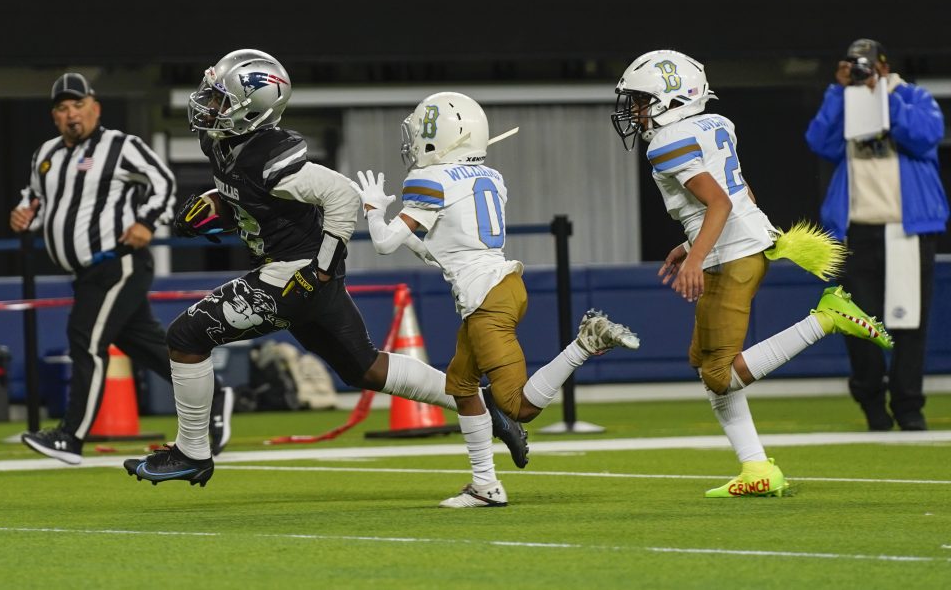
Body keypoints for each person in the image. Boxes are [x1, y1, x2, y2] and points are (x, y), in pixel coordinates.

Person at [123, 51, 528, 488]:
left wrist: (319, 270)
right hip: (302, 274)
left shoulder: (269, 156)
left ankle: (192, 452)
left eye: (221, 99)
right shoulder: (223, 143)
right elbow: (255, 195)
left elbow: (342, 195)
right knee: (364, 368)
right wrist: (218, 205)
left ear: (253, 109)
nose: (208, 105)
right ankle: (485, 403)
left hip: (295, 273)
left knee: (186, 337)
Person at [611, 50, 895, 498]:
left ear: (672, 99)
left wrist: (695, 258)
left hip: (732, 254)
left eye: (641, 100)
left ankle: (826, 319)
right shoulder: (714, 124)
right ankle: (756, 467)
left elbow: (720, 203)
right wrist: (690, 246)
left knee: (719, 374)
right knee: (704, 361)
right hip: (739, 244)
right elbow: (740, 194)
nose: (635, 110)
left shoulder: (666, 143)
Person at [352, 92, 640, 508]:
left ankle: (586, 342)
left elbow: (382, 244)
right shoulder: (491, 177)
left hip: (486, 299)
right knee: (461, 387)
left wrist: (373, 210)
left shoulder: (430, 180)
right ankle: (485, 485)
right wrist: (405, 230)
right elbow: (442, 251)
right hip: (499, 287)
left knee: (518, 406)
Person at [10, 73, 234, 465]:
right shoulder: (46, 154)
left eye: (78, 105)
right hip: (86, 273)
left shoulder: (120, 146)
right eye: (63, 108)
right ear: (54, 116)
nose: (71, 114)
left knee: (85, 340)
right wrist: (25, 213)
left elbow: (163, 182)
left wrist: (147, 221)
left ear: (95, 108)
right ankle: (215, 395)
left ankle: (70, 436)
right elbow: (36, 198)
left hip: (118, 262)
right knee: (145, 345)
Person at [805, 39, 948, 432]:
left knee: (909, 323)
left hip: (907, 228)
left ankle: (908, 406)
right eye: (855, 66)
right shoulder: (844, 99)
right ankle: (871, 401)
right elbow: (819, 142)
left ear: (883, 66)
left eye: (867, 65)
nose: (862, 72)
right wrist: (840, 92)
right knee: (858, 323)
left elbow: (926, 135)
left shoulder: (912, 96)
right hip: (856, 230)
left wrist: (882, 96)